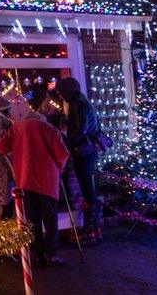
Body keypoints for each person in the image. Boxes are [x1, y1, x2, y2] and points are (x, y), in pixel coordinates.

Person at [0, 94, 70, 267]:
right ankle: (51, 254)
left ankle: (37, 255)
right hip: (47, 180)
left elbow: (1, 147)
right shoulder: (49, 129)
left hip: (25, 180)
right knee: (50, 218)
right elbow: (63, 154)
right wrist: (60, 169)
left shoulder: (17, 128)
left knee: (32, 219)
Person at [58, 77, 103, 243]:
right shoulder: (83, 101)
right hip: (89, 150)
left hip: (83, 151)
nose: (60, 97)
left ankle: (89, 230)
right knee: (88, 189)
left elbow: (81, 128)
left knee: (87, 190)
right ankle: (94, 229)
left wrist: (67, 144)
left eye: (61, 93)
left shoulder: (78, 104)